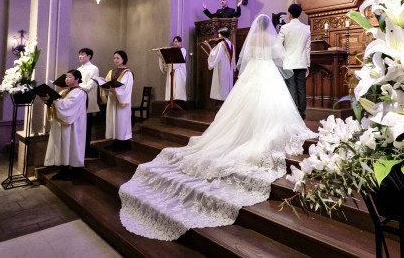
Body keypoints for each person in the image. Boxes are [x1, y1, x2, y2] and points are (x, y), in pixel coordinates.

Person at [119, 14, 316, 241]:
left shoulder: (251, 40)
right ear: (269, 27)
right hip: (268, 73)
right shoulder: (272, 39)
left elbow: (246, 58)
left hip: (253, 74)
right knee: (273, 105)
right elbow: (279, 57)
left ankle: (243, 130)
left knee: (242, 107)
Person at [42, 69, 87, 180]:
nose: (66, 79)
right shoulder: (65, 92)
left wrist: (52, 101)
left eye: (70, 77)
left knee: (72, 145)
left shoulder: (80, 92)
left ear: (77, 79)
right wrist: (48, 101)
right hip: (65, 123)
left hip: (74, 125)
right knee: (64, 146)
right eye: (66, 77)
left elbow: (67, 105)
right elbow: (59, 104)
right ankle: (64, 169)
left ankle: (75, 171)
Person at [279, 3, 311, 120]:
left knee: (291, 89)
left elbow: (278, 46)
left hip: (288, 63)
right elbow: (308, 48)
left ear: (290, 14)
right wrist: (307, 64)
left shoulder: (285, 28)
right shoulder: (306, 28)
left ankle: (292, 115)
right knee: (301, 89)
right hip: (301, 63)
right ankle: (302, 114)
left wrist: (281, 59)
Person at [102, 50, 133, 151]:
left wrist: (114, 90)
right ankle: (115, 141)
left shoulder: (127, 73)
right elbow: (108, 82)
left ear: (123, 59)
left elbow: (126, 88)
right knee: (113, 121)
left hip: (121, 101)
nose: (115, 60)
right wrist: (103, 83)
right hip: (112, 100)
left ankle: (123, 143)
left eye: (117, 58)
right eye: (114, 58)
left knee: (121, 121)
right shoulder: (111, 72)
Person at [77, 47, 100, 158]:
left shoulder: (93, 68)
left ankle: (86, 150)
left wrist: (79, 88)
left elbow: (91, 83)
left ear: (89, 56)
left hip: (87, 99)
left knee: (87, 126)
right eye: (79, 54)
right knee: (79, 127)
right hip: (77, 100)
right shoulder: (78, 69)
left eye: (83, 54)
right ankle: (79, 148)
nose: (80, 56)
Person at [204, 27, 235, 101]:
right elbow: (233, 59)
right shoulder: (231, 44)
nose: (218, 34)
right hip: (229, 68)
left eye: (219, 33)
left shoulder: (221, 44)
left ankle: (221, 102)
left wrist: (208, 46)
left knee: (222, 86)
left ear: (222, 35)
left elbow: (216, 56)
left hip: (222, 67)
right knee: (227, 85)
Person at [157, 36, 187, 105]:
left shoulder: (183, 50)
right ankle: (171, 102)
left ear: (180, 43)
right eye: (174, 42)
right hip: (171, 71)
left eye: (177, 42)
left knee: (179, 87)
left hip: (179, 71)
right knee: (171, 86)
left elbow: (180, 61)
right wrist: (162, 54)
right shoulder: (171, 50)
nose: (175, 43)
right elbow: (167, 61)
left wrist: (173, 66)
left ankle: (179, 103)